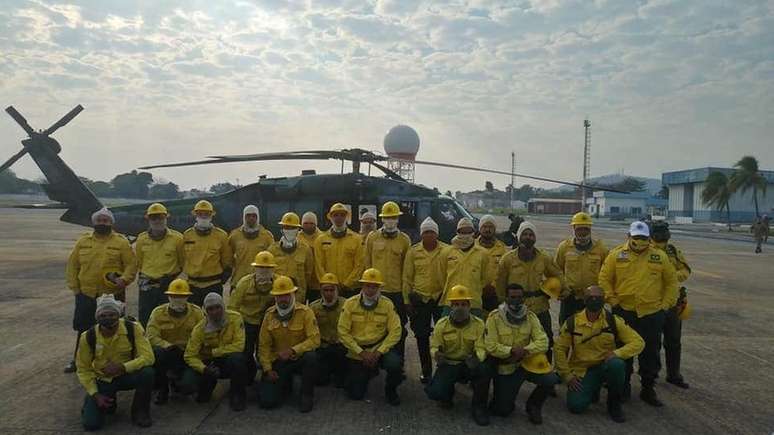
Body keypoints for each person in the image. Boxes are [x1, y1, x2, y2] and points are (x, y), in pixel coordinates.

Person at [599, 221, 678, 407]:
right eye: (636, 237)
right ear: (629, 236)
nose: (639, 241)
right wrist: (613, 301)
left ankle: (648, 388)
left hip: (651, 313)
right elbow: (604, 279)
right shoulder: (616, 255)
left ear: (648, 238)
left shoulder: (659, 257)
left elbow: (671, 283)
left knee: (650, 353)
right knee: (624, 351)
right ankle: (623, 386)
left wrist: (665, 306)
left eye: (643, 238)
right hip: (624, 312)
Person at [554, 285, 645, 423]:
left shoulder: (613, 321)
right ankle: (593, 389)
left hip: (605, 366)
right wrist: (566, 375)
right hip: (583, 370)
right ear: (584, 300)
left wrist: (617, 353)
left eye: (598, 298)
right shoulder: (572, 322)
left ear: (603, 300)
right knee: (576, 406)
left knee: (617, 365)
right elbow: (559, 349)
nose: (595, 300)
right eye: (591, 297)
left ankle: (614, 404)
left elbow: (638, 342)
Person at [65, 207, 137, 373]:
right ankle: (79, 361)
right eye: (99, 220)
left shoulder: (121, 243)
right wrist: (76, 289)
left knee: (115, 329)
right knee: (84, 329)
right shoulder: (83, 242)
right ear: (94, 223)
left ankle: (118, 361)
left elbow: (131, 265)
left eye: (105, 221)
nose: (102, 223)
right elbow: (72, 266)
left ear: (111, 223)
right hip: (86, 293)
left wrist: (124, 281)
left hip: (113, 294)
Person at [76, 294, 155, 430]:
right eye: (103, 315)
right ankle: (97, 402)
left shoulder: (133, 328)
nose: (108, 318)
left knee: (147, 373)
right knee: (91, 425)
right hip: (103, 380)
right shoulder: (88, 336)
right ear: (97, 317)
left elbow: (149, 357)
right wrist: (95, 394)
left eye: (112, 314)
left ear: (118, 315)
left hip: (126, 376)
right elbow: (83, 369)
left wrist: (123, 367)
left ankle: (140, 412)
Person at [485, 284, 559, 424]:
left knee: (551, 379)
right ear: (506, 298)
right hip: (507, 366)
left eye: (519, 297)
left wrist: (525, 350)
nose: (516, 301)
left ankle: (534, 406)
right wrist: (511, 351)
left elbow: (543, 341)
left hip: (527, 363)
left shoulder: (530, 316)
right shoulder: (494, 318)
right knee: (502, 411)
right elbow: (490, 346)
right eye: (512, 297)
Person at [495, 221, 563, 361]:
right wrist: (502, 304)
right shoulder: (507, 259)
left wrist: (560, 290)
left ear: (535, 238)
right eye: (525, 234)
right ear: (519, 236)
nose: (528, 237)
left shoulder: (544, 258)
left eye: (531, 234)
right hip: (515, 307)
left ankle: (545, 374)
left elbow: (557, 275)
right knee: (515, 340)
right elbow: (500, 284)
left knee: (546, 340)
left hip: (540, 307)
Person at [425, 285, 490, 426]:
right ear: (450, 306)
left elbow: (481, 347)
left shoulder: (478, 324)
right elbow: (434, 345)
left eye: (463, 304)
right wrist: (436, 354)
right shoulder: (441, 325)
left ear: (469, 306)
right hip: (449, 363)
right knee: (434, 393)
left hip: (469, 364)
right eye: (456, 304)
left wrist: (477, 357)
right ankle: (447, 394)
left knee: (484, 369)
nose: (460, 308)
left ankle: (479, 407)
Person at [337, 268, 403, 405]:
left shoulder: (387, 304)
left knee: (395, 364)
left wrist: (379, 352)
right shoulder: (350, 304)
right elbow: (342, 332)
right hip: (357, 351)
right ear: (362, 286)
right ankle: (368, 372)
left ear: (380, 287)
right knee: (355, 394)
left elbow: (396, 331)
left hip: (380, 349)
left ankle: (391, 391)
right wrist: (361, 353)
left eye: (375, 286)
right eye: (368, 285)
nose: (371, 290)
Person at [258, 275, 321, 412]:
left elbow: (315, 340)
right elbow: (264, 346)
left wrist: (293, 350)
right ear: (275, 297)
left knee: (311, 357)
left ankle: (306, 394)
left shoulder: (306, 312)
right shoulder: (269, 315)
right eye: (279, 296)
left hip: (299, 359)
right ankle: (285, 385)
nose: (283, 299)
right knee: (267, 402)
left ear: (293, 294)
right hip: (278, 361)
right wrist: (268, 369)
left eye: (286, 295)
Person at [183, 292, 247, 411]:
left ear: (223, 306)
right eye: (210, 309)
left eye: (218, 307)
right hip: (208, 364)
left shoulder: (235, 318)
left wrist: (214, 352)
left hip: (227, 360)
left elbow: (239, 345)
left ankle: (237, 395)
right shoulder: (200, 328)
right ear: (205, 311)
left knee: (238, 359)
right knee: (192, 390)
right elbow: (189, 356)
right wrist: (204, 369)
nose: (215, 312)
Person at [145, 278, 204, 405]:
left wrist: (189, 350)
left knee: (188, 387)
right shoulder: (158, 313)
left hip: (188, 355)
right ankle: (163, 388)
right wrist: (168, 346)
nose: (177, 299)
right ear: (168, 297)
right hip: (167, 354)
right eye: (174, 296)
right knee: (157, 353)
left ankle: (178, 381)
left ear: (188, 297)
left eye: (181, 296)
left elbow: (203, 336)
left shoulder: (197, 313)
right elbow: (151, 336)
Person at [403, 217, 448, 383]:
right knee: (421, 336)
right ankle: (426, 370)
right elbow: (407, 278)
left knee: (444, 336)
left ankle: (443, 371)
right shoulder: (413, 252)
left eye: (432, 232)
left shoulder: (447, 251)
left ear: (437, 234)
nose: (429, 235)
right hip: (420, 300)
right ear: (421, 234)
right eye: (426, 232)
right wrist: (406, 301)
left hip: (441, 299)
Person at [364, 201, 411, 355]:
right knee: (374, 325)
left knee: (398, 328)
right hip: (377, 291)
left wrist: (405, 296)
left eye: (393, 217)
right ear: (382, 219)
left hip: (396, 292)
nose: (390, 220)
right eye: (387, 217)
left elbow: (407, 269)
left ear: (398, 219)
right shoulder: (372, 237)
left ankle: (398, 362)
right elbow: (367, 264)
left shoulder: (404, 240)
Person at [650, 221, 692, 389]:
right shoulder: (646, 249)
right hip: (653, 302)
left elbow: (686, 270)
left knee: (673, 340)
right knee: (653, 342)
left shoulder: (673, 251)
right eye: (658, 232)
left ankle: (673, 374)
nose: (661, 235)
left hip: (673, 303)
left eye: (663, 231)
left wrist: (673, 276)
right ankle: (652, 374)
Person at [227, 251, 278, 385]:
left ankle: (268, 374)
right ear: (255, 268)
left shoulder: (278, 282)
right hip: (248, 322)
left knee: (269, 350)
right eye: (261, 268)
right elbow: (233, 307)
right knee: (246, 352)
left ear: (273, 269)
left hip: (269, 323)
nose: (264, 271)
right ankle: (248, 376)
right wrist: (235, 328)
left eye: (268, 268)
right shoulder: (244, 283)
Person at [135, 203, 185, 326]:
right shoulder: (141, 239)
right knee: (146, 318)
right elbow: (140, 262)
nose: (157, 220)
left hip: (169, 285)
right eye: (153, 218)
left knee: (168, 319)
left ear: (166, 218)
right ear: (148, 219)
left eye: (160, 217)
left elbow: (183, 263)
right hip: (147, 286)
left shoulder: (178, 239)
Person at [554, 212, 609, 325]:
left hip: (593, 298)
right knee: (567, 328)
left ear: (590, 229)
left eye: (585, 229)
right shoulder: (564, 248)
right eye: (579, 229)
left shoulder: (601, 249)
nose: (582, 232)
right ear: (574, 229)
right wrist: (561, 290)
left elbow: (606, 273)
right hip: (570, 298)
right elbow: (557, 271)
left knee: (593, 329)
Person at [183, 200, 233, 306]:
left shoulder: (221, 236)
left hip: (213, 284)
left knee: (214, 318)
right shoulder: (187, 235)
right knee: (193, 318)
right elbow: (182, 259)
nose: (203, 216)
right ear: (195, 215)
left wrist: (223, 278)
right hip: (192, 286)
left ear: (211, 216)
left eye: (206, 214)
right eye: (200, 214)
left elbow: (227, 260)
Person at [437, 218, 489, 318]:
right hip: (450, 302)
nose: (465, 234)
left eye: (468, 231)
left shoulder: (483, 253)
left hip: (474, 303)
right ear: (457, 232)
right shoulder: (446, 252)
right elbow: (441, 277)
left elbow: (485, 279)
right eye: (462, 231)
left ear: (473, 232)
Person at [313, 203, 364, 298]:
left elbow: (359, 265)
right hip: (329, 290)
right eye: (335, 215)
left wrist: (347, 284)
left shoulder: (357, 240)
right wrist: (328, 284)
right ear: (330, 217)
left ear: (346, 217)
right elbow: (319, 265)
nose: (339, 218)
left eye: (342, 215)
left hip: (350, 290)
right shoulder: (320, 240)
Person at [309, 273, 348, 387]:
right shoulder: (313, 307)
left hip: (342, 347)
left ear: (337, 290)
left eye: (332, 290)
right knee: (321, 381)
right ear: (321, 291)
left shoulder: (347, 304)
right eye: (326, 290)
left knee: (342, 383)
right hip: (323, 347)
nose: (329, 293)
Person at [268, 212, 314, 302]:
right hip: (277, 294)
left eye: (292, 228)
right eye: (286, 227)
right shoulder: (272, 249)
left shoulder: (305, 249)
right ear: (282, 229)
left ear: (298, 230)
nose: (289, 230)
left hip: (298, 296)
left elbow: (308, 273)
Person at [229, 205, 275, 287]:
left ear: (258, 217)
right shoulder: (234, 235)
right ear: (244, 217)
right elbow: (228, 258)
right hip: (238, 281)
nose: (251, 218)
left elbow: (272, 259)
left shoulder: (267, 236)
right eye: (248, 216)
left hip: (259, 282)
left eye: (254, 216)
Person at [476, 215, 509, 311]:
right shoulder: (473, 247)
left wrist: (493, 287)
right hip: (477, 293)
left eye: (490, 227)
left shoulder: (502, 248)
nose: (487, 230)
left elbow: (504, 271)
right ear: (480, 229)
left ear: (494, 229)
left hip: (496, 295)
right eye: (484, 227)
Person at [299, 211, 323, 302]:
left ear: (316, 224)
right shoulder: (297, 238)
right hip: (301, 281)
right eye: (306, 223)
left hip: (317, 282)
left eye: (311, 223)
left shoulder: (322, 238)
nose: (308, 225)